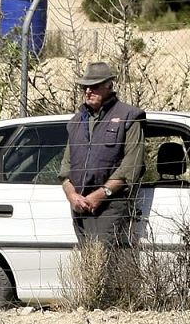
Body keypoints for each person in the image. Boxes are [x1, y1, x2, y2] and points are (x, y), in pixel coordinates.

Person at [61, 61, 145, 247]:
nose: (88, 91)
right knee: (88, 265)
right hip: (79, 206)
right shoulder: (76, 121)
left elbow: (131, 167)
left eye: (94, 86)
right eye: (85, 87)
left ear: (109, 86)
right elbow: (65, 169)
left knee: (101, 263)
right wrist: (72, 195)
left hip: (110, 205)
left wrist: (101, 194)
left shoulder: (128, 116)